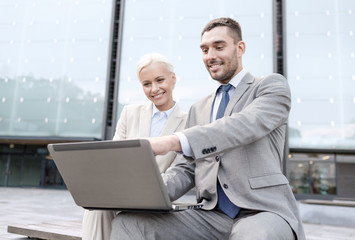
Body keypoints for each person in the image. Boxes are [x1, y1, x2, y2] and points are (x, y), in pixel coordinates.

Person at [110, 17, 306, 240]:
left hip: (262, 211)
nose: (210, 56)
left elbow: (241, 126)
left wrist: (172, 141)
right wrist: (142, 193)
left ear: (240, 48)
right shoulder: (199, 109)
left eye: (218, 47)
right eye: (204, 49)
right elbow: (186, 168)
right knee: (129, 222)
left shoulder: (270, 87)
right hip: (211, 215)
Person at [82, 53, 187, 240]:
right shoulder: (130, 113)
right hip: (123, 191)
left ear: (173, 79)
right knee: (96, 207)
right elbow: (113, 160)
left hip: (159, 198)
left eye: (159, 80)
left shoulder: (189, 121)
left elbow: (181, 170)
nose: (154, 89)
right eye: (147, 84)